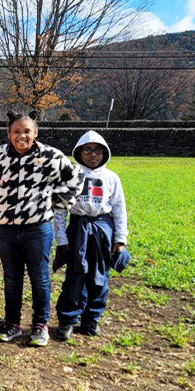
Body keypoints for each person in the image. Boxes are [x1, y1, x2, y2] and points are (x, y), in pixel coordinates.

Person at [0, 111, 81, 347]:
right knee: (11, 278)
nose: (22, 136)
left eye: (27, 131)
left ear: (35, 133)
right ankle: (12, 323)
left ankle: (40, 325)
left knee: (39, 277)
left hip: (37, 229)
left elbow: (75, 178)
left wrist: (53, 199)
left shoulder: (50, 156)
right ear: (9, 134)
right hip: (6, 230)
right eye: (17, 132)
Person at [53, 130, 129, 340]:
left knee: (99, 276)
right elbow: (59, 210)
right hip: (78, 227)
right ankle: (68, 319)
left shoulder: (111, 178)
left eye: (97, 150)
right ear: (79, 152)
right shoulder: (70, 176)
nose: (93, 155)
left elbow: (119, 208)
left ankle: (91, 319)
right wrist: (62, 239)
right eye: (88, 150)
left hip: (102, 228)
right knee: (76, 276)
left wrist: (120, 239)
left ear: (105, 153)